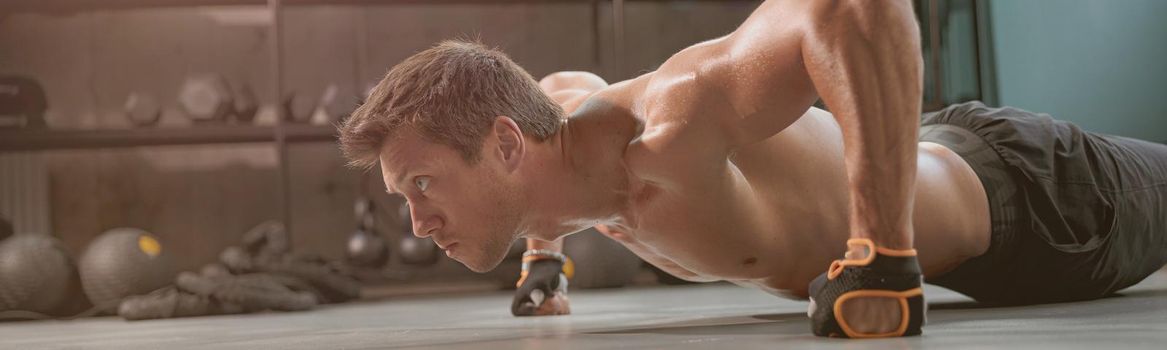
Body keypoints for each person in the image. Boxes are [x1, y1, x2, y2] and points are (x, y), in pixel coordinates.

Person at [339, 0, 1167, 338]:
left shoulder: (675, 123)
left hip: (1040, 203)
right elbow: (554, 95)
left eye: (421, 184)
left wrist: (881, 253)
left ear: (505, 146)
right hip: (936, 151)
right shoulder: (553, 137)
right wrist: (541, 255)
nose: (416, 220)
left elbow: (852, 9)